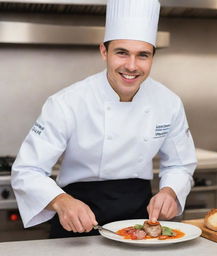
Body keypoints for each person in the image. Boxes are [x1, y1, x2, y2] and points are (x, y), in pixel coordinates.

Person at [11, 0, 197, 239]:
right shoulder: (67, 102)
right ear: (103, 51)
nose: (131, 66)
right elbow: (27, 170)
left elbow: (180, 164)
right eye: (122, 53)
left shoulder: (168, 102)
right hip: (79, 220)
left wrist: (171, 191)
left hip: (140, 223)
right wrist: (60, 202)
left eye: (143, 55)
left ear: (152, 57)